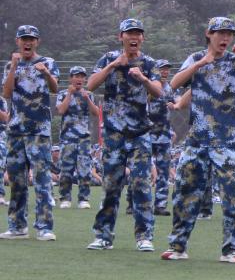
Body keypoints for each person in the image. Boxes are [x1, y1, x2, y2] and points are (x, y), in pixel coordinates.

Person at [163, 17, 235, 262]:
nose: (226, 38)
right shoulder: (195, 58)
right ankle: (178, 246)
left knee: (232, 195)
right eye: (221, 33)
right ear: (209, 34)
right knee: (185, 192)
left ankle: (231, 250)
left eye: (230, 34)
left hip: (227, 140)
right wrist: (200, 64)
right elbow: (174, 84)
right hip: (197, 139)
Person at [83, 19, 164, 251]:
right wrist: (112, 66)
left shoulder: (149, 63)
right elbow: (90, 85)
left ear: (143, 38)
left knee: (141, 184)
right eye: (129, 33)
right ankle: (103, 236)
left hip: (140, 133)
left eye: (138, 34)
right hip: (113, 133)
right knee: (111, 185)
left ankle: (144, 236)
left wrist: (143, 79)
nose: (134, 37)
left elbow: (159, 92)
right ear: (121, 37)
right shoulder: (108, 58)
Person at [0, 25, 59, 241]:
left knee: (42, 179)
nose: (27, 42)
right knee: (17, 180)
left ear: (37, 42)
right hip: (16, 130)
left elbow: (55, 89)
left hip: (39, 130)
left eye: (31, 39)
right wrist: (14, 67)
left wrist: (46, 73)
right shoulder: (11, 65)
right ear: (17, 41)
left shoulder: (48, 62)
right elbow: (6, 93)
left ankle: (44, 227)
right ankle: (17, 226)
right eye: (24, 38)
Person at [55, 66, 98, 210]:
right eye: (76, 76)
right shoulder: (63, 94)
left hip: (84, 138)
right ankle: (65, 198)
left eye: (82, 76)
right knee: (66, 169)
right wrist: (69, 94)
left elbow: (96, 113)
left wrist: (87, 99)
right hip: (67, 137)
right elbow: (61, 110)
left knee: (85, 169)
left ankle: (83, 199)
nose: (79, 79)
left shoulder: (89, 94)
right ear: (70, 78)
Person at [147, 59, 177, 215]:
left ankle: (160, 205)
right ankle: (135, 202)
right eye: (161, 69)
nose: (165, 72)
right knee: (141, 169)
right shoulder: (148, 85)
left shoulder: (169, 88)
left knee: (163, 170)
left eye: (167, 69)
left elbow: (176, 102)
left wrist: (174, 105)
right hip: (146, 133)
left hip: (164, 134)